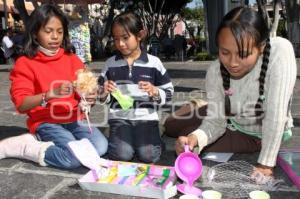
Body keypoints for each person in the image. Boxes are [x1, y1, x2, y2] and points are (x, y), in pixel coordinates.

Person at [172, 6, 297, 179]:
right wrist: (194, 139)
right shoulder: (215, 71)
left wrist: (266, 163)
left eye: (243, 54)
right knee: (174, 126)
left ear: (260, 47)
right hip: (231, 116)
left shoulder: (279, 52)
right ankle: (203, 105)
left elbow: (275, 115)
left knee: (186, 129)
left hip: (256, 135)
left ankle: (204, 106)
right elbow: (215, 122)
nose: (232, 63)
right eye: (225, 52)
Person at [2, 4, 108, 169]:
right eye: (48, 31)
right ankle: (27, 146)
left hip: (74, 118)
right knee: (72, 158)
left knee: (100, 147)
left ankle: (51, 141)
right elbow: (21, 104)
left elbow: (86, 92)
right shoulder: (25, 63)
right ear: (36, 32)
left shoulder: (72, 59)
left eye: (59, 31)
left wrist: (90, 97)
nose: (55, 37)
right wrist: (49, 95)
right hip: (46, 121)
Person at [98, 12, 174, 163]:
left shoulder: (154, 63)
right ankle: (123, 138)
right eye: (116, 39)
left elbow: (169, 92)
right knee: (122, 155)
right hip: (119, 118)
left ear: (140, 35)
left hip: (146, 118)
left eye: (125, 38)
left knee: (148, 155)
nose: (120, 44)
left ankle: (154, 136)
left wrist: (155, 91)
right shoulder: (110, 63)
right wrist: (104, 91)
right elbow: (100, 93)